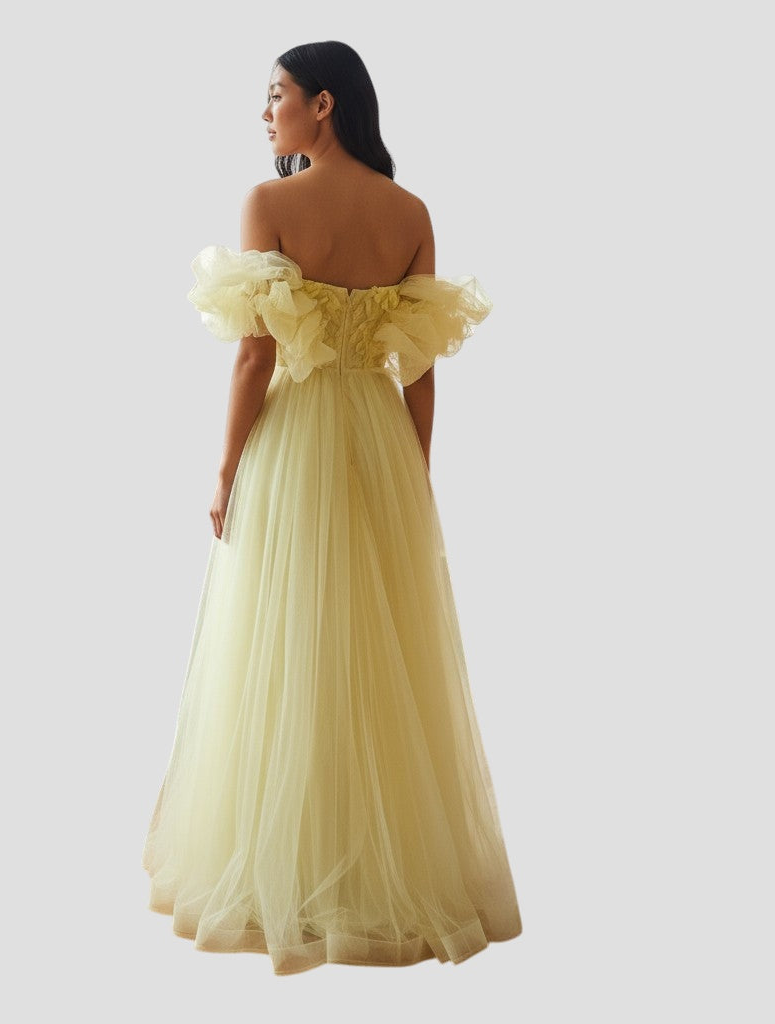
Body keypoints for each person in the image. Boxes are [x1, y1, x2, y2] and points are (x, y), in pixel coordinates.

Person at [143, 40, 522, 976]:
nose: (264, 112)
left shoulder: (270, 202)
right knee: (376, 647)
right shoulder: (410, 213)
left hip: (298, 437)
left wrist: (226, 468)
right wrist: (414, 474)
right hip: (378, 440)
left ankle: (291, 872)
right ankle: (370, 871)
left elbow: (254, 355)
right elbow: (420, 368)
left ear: (322, 103)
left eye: (275, 95)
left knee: (280, 642)